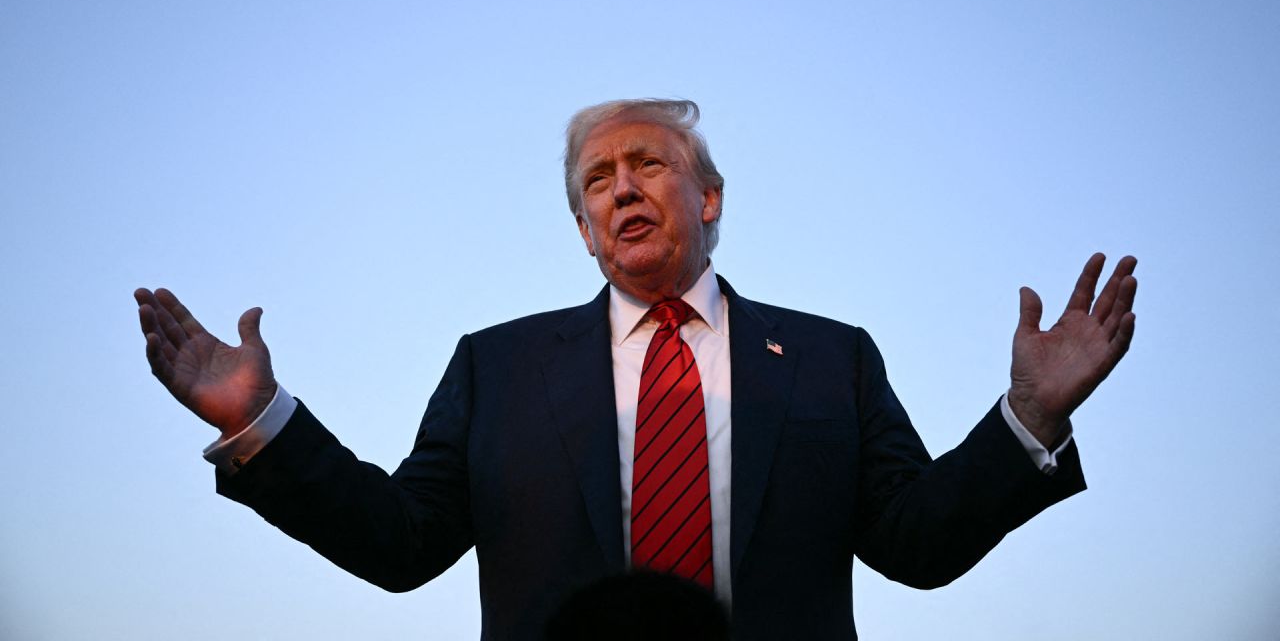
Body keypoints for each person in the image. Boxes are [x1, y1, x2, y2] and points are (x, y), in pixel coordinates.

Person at [134, 99, 1138, 640]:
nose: (623, 188)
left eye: (649, 165)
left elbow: (916, 546)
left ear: (707, 199)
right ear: (581, 231)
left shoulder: (830, 357)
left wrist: (1025, 419)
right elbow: (402, 545)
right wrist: (262, 421)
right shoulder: (495, 367)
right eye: (597, 181)